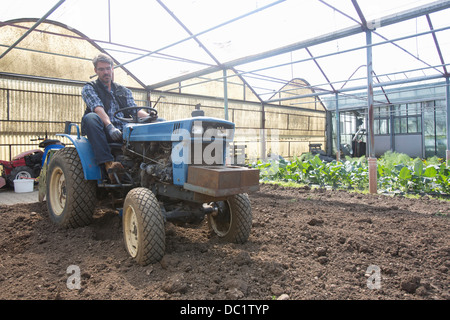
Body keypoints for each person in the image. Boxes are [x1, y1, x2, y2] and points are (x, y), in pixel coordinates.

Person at [81, 53, 147, 183]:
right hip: (103, 130)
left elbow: (134, 110)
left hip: (124, 129)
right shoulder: (90, 88)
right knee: (91, 117)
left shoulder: (123, 90)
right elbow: (97, 107)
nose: (105, 72)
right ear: (96, 71)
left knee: (153, 124)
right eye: (101, 69)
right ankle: (108, 164)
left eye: (108, 68)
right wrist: (110, 126)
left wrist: (154, 119)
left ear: (112, 69)